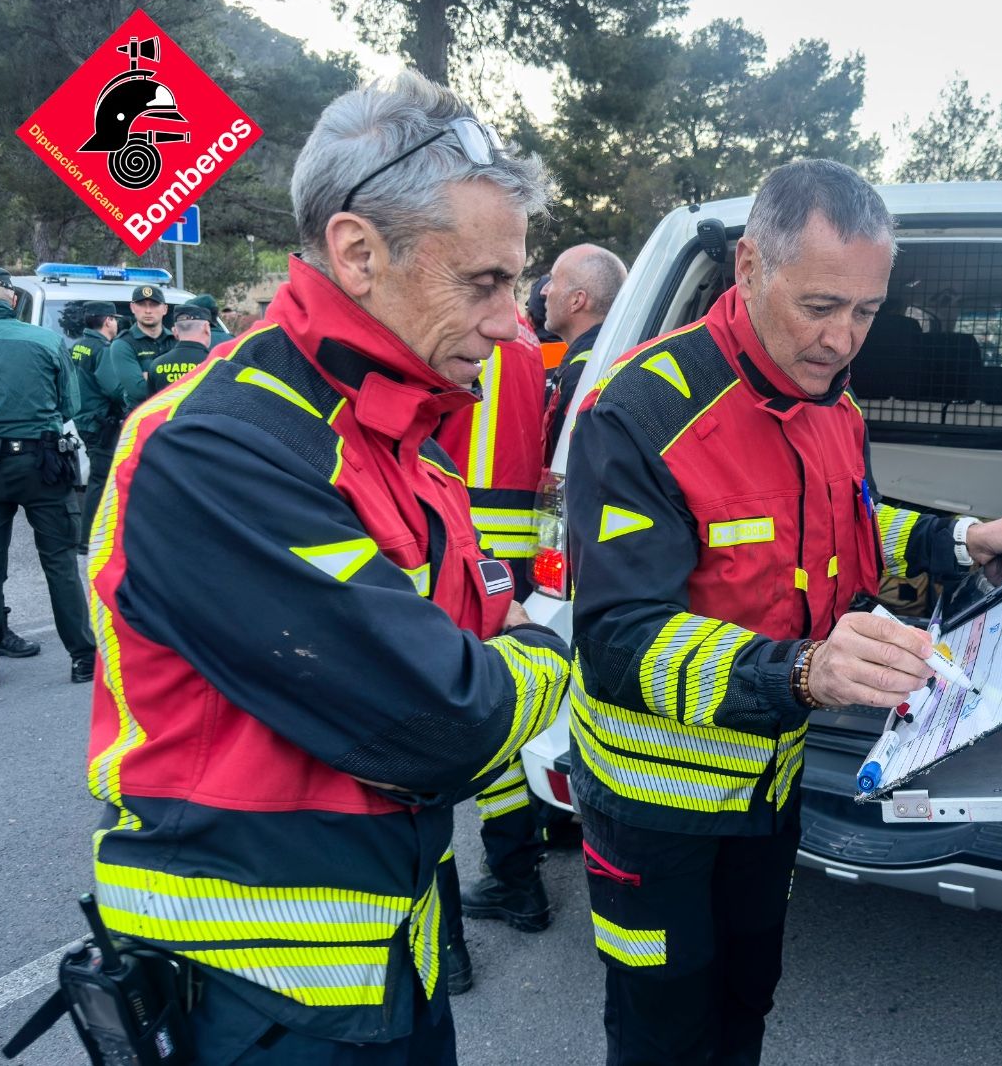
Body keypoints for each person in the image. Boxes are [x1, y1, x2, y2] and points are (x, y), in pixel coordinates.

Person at [83, 71, 569, 1062]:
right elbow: (445, 722)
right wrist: (543, 654)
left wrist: (490, 660)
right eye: (484, 282)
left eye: (515, 285)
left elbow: (461, 666)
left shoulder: (397, 439)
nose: (511, 322)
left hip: (384, 961)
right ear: (357, 252)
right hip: (259, 1000)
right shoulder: (220, 447)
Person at [565, 159, 1002, 1065]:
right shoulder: (640, 411)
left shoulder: (835, 405)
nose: (842, 340)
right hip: (653, 805)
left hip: (768, 785)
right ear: (751, 266)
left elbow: (852, 527)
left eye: (866, 312)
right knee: (662, 1026)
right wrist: (803, 670)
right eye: (821, 305)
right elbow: (617, 638)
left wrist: (961, 540)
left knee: (748, 994)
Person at [431, 306, 555, 993]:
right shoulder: (527, 338)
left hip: (448, 532)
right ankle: (518, 874)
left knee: (422, 728)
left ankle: (444, 945)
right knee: (498, 709)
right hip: (510, 542)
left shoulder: (440, 320)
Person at [0, 267, 97, 692]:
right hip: (41, 463)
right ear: (13, 301)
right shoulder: (45, 340)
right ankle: (82, 659)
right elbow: (70, 406)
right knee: (60, 563)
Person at [541, 243, 627, 459]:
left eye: (553, 280)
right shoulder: (609, 356)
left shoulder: (583, 375)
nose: (544, 291)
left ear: (577, 300)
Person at [70, 303, 121, 554]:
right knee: (100, 479)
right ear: (108, 321)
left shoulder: (78, 345)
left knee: (97, 477)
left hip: (84, 419)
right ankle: (88, 539)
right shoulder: (102, 350)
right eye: (115, 319)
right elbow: (114, 388)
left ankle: (89, 535)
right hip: (100, 422)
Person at [98, 282, 174, 411]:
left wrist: (149, 377)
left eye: (154, 305)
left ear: (165, 309)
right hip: (142, 418)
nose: (148, 310)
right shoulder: (122, 344)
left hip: (176, 418)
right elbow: (139, 390)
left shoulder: (176, 340)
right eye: (142, 305)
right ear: (132, 307)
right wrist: (173, 378)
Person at [144, 305, 211, 395]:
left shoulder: (156, 365)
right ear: (206, 327)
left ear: (175, 331)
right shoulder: (216, 363)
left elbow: (150, 402)